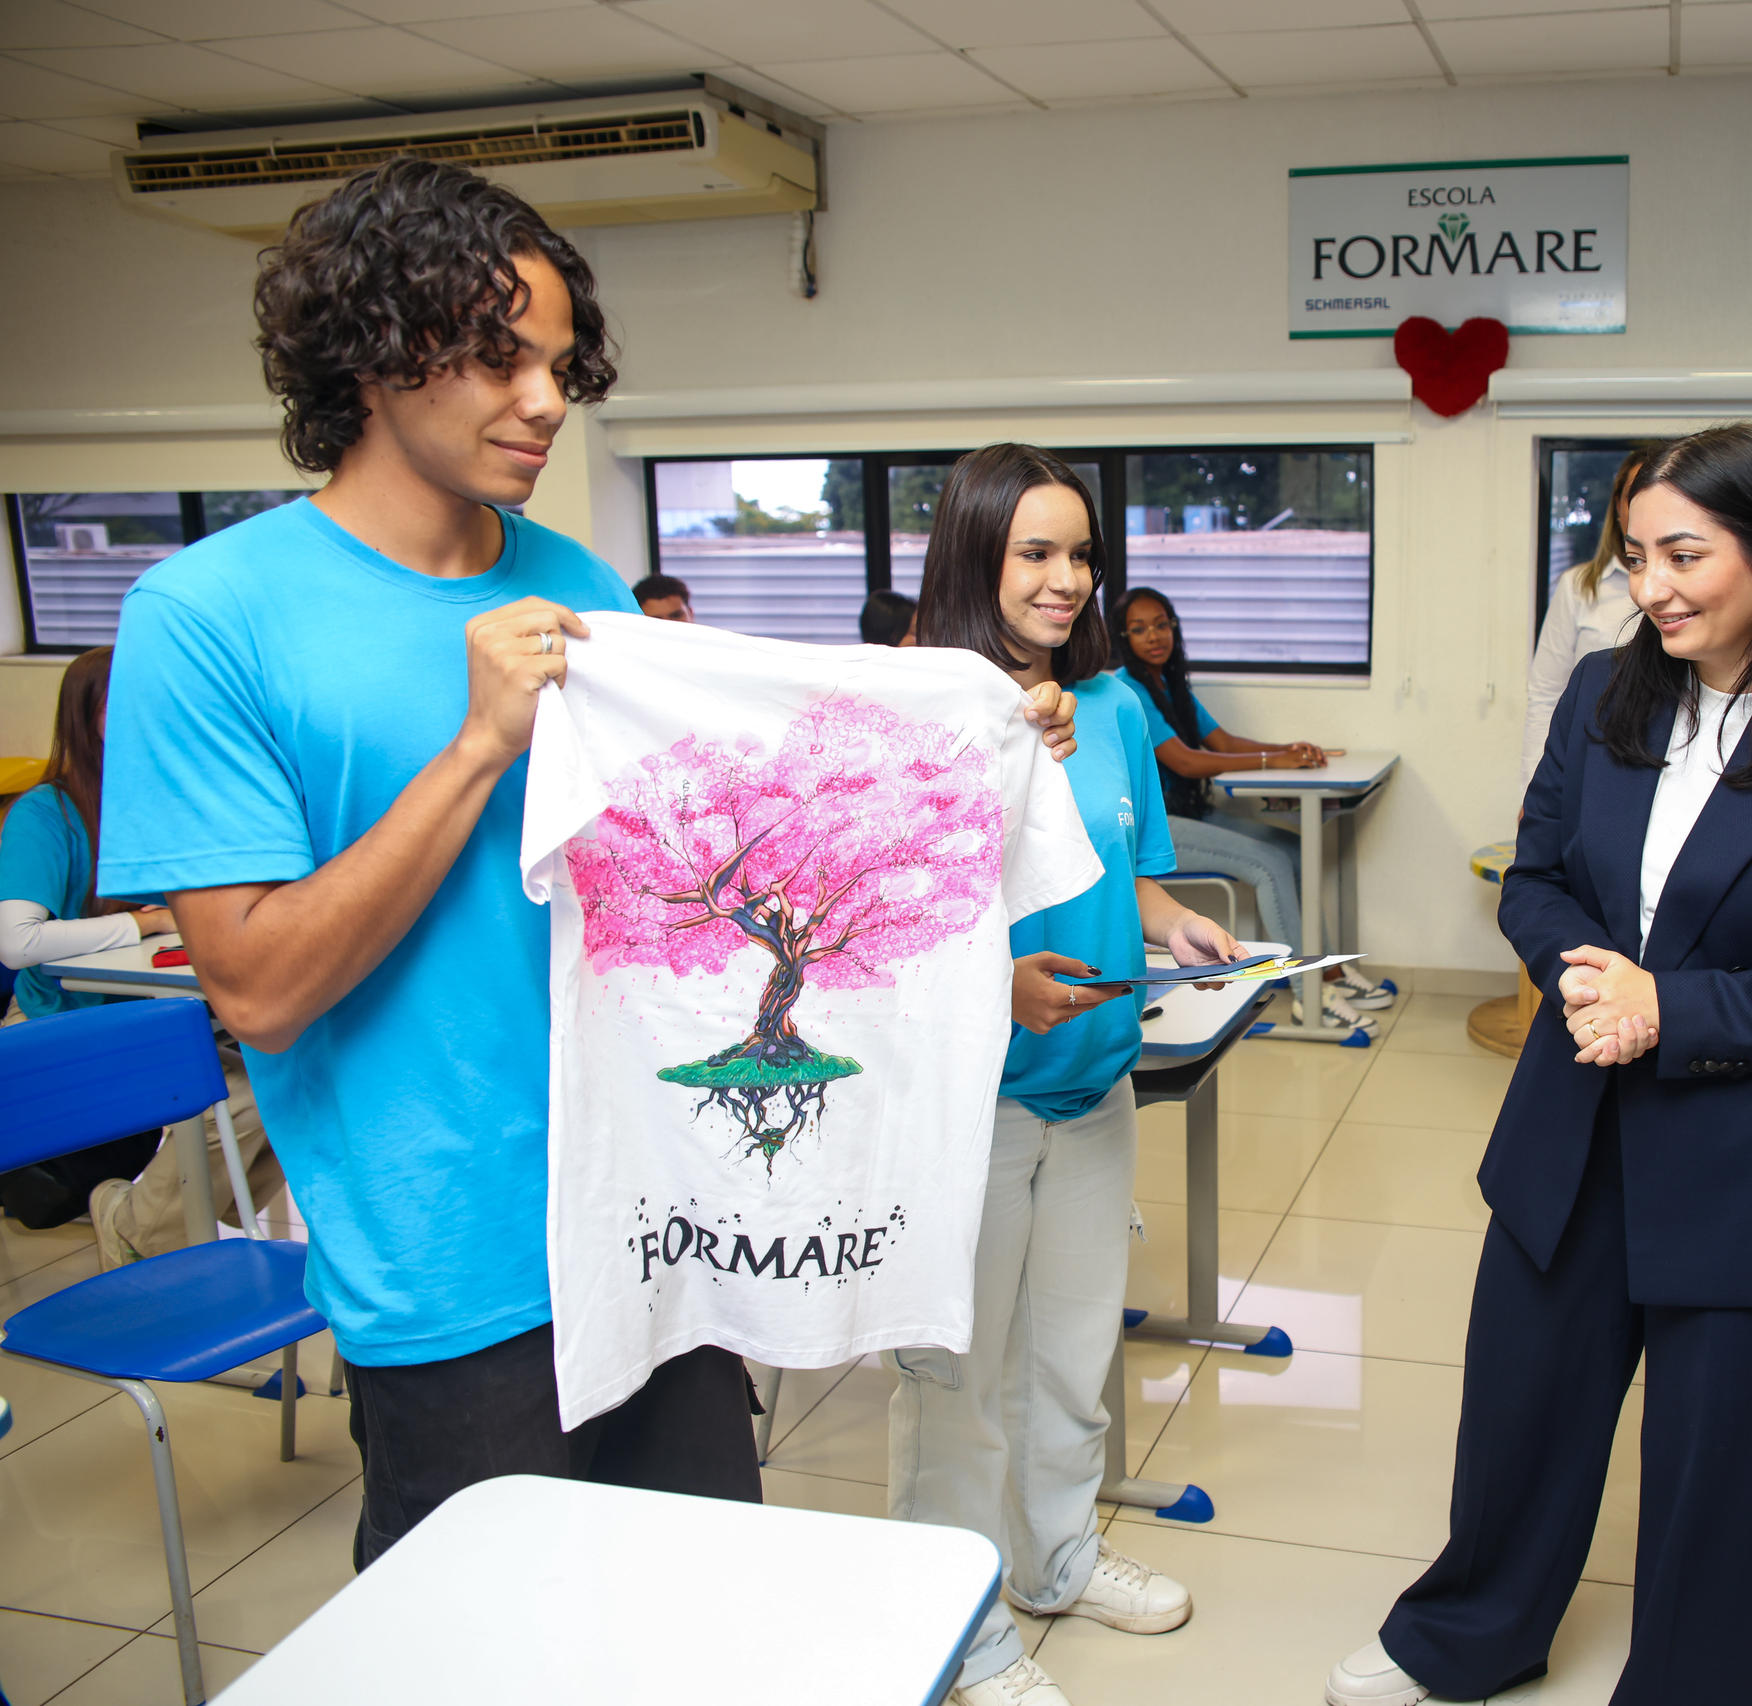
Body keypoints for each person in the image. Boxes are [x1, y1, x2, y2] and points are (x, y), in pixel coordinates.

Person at [95, 159, 1080, 1567]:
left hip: (663, 1216)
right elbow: (254, 988)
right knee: (500, 1645)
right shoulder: (207, 618)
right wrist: (475, 746)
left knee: (692, 1614)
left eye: (561, 361)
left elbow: (731, 855)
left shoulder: (585, 588)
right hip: (452, 1264)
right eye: (498, 357)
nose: (548, 400)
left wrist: (983, 754)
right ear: (373, 352)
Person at [1326, 424, 1752, 1706]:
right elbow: (1533, 874)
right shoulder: (1608, 692)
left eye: (1685, 554)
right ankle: (1468, 1631)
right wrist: (1586, 971)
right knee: (1520, 1417)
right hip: (1574, 1124)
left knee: (1716, 1471)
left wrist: (1670, 1005)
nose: (1651, 586)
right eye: (1636, 554)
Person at [896, 445, 1239, 1706]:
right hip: (964, 1106)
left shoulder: (1110, 708)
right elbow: (878, 925)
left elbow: (1124, 860)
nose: (1064, 578)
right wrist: (997, 984)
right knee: (955, 1378)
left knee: (1070, 1352)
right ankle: (951, 1618)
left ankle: (1054, 1556)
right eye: (1034, 551)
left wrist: (1173, 924)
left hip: (1095, 1080)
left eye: (1080, 552)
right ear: (975, 553)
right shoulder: (920, 709)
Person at [0, 646, 283, 1263]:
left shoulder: (165, 803)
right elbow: (17, 942)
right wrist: (142, 922)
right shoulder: (46, 814)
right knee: (238, 1098)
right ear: (91, 714)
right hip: (67, 1021)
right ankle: (138, 1228)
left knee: (293, 1082)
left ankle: (163, 1230)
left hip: (171, 1013)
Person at [1109, 584, 1392, 1032]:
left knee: (1297, 852)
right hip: (1157, 826)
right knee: (1269, 863)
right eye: (1139, 629)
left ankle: (1329, 972)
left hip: (1191, 813)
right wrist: (1271, 761)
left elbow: (1221, 742)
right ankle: (1309, 997)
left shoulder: (1168, 682)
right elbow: (1184, 759)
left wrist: (1287, 749)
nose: (1154, 636)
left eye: (1161, 625)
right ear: (1122, 638)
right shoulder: (1127, 687)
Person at [1521, 446, 1647, 789]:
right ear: (1617, 510)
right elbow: (1547, 693)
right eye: (1633, 495)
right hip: (1588, 767)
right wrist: (1535, 789)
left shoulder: (1687, 595)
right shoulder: (1578, 586)